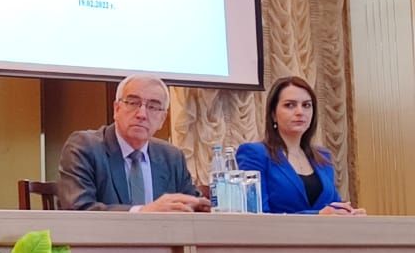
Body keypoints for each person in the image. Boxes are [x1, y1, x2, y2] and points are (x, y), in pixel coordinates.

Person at [58, 73, 209, 212]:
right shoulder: (85, 147)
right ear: (117, 109)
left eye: (153, 107)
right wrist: (143, 212)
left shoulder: (172, 157)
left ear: (162, 119)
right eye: (132, 103)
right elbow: (78, 209)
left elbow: (192, 204)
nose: (142, 114)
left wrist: (203, 207)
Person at [235, 76, 363, 215]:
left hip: (324, 230)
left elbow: (333, 206)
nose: (300, 112)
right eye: (290, 105)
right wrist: (318, 216)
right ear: (273, 114)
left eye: (306, 105)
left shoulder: (323, 157)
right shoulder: (254, 154)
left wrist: (349, 214)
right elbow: (256, 215)